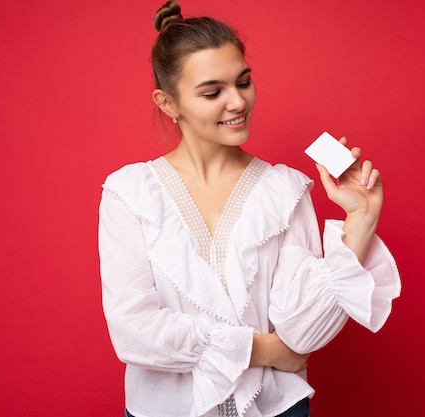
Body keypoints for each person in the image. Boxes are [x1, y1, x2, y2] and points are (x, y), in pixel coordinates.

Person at [98, 1, 401, 416]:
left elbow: (302, 333)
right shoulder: (129, 192)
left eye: (243, 82)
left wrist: (360, 221)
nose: (238, 102)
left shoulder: (285, 189)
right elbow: (134, 332)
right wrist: (264, 349)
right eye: (213, 92)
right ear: (168, 103)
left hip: (277, 409)